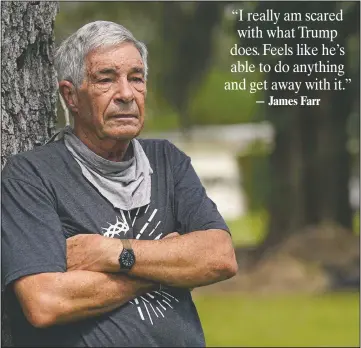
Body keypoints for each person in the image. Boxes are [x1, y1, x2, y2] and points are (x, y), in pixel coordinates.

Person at [1, 21, 238, 347]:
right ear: (71, 96)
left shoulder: (167, 161)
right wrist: (162, 268)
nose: (126, 94)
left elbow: (220, 256)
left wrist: (112, 253)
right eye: (106, 79)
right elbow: (45, 302)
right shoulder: (32, 175)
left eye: (136, 78)